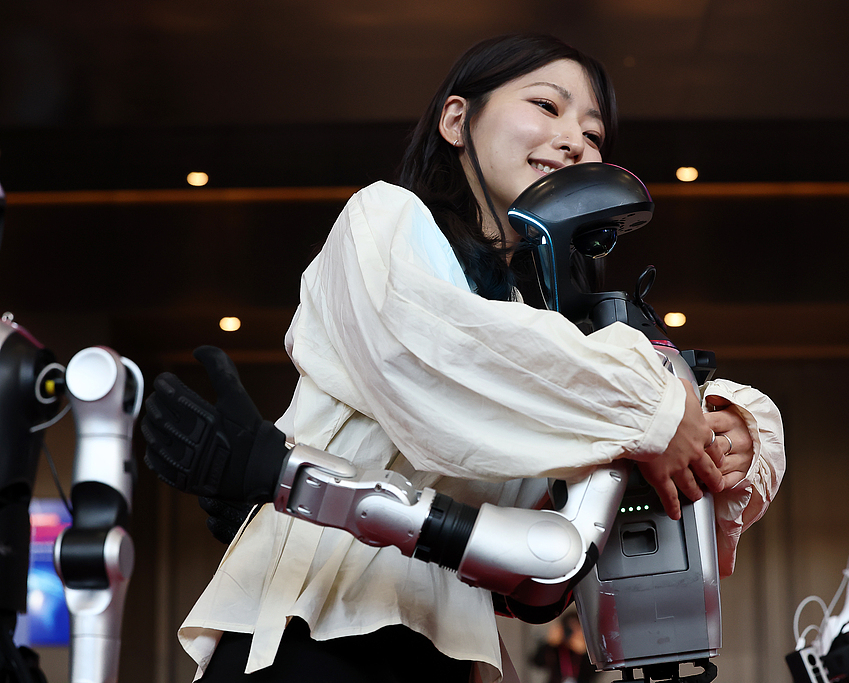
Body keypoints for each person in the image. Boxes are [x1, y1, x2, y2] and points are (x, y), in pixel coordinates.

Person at [165, 34, 785, 683]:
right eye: (546, 106)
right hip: (317, 639)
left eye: (593, 133)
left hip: (448, 656)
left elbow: (556, 523)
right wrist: (660, 410)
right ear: (457, 119)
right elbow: (445, 364)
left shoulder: (537, 329)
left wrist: (731, 429)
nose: (574, 141)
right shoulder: (387, 218)